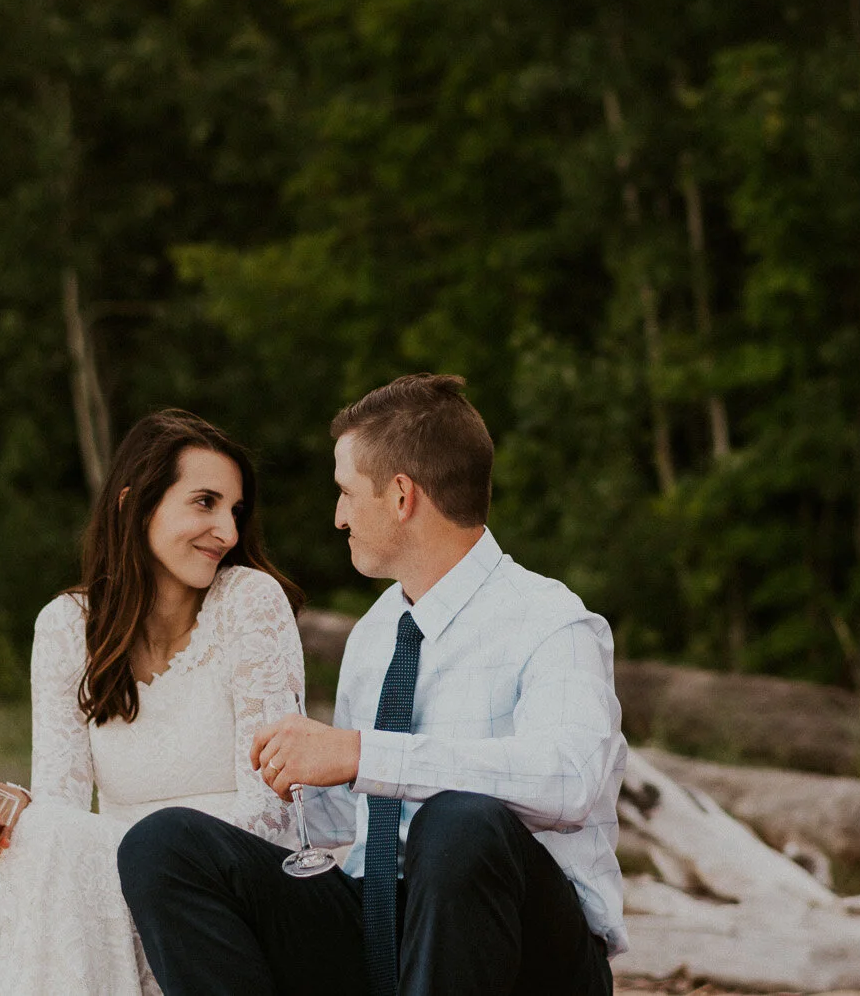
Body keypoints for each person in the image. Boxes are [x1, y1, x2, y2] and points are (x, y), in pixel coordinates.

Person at [118, 374, 627, 996]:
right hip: (382, 929)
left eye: (346, 493)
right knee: (165, 845)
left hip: (528, 957)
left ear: (401, 496)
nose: (337, 517)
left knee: (459, 825)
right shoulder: (377, 633)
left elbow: (570, 780)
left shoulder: (552, 621)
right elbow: (343, 817)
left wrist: (362, 753)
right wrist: (279, 771)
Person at [0, 410, 306, 996]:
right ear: (133, 504)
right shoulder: (67, 626)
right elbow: (61, 805)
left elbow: (271, 815)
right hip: (99, 868)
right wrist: (19, 804)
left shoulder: (250, 602)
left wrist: (131, 852)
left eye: (235, 510)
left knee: (54, 843)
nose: (227, 531)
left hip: (220, 874)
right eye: (205, 503)